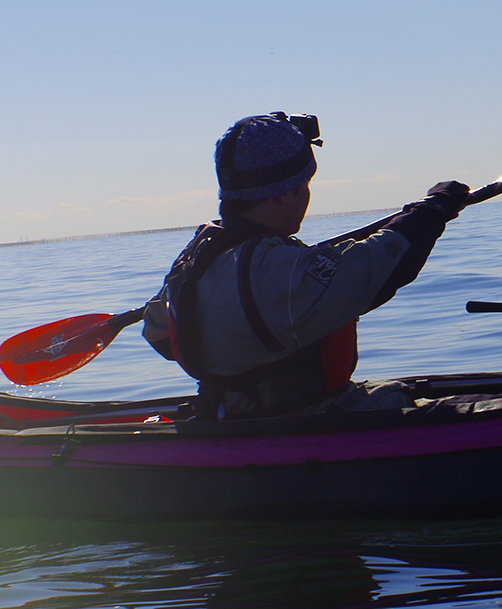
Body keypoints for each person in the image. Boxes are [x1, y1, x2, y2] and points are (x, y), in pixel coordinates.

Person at [144, 112, 471, 420]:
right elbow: (378, 267)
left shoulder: (194, 258)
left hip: (227, 413)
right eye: (304, 186)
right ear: (285, 194)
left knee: (391, 393)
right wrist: (434, 209)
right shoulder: (272, 272)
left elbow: (159, 334)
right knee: (400, 401)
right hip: (292, 422)